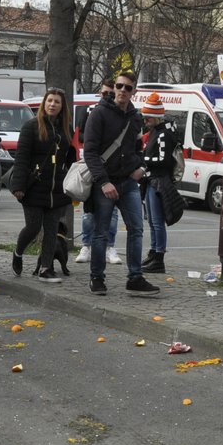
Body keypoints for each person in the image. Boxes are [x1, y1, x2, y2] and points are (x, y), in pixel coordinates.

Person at [81, 72, 159, 296]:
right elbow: (91, 153)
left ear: (134, 91)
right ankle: (97, 278)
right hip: (105, 184)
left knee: (136, 229)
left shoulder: (135, 118)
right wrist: (104, 182)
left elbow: (138, 149)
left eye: (128, 88)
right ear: (113, 88)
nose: (123, 91)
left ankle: (135, 277)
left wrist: (141, 168)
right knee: (101, 233)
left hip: (128, 182)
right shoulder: (99, 114)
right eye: (119, 86)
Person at [10, 88, 75, 282]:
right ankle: (18, 252)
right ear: (44, 104)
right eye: (50, 101)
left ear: (62, 107)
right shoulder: (31, 126)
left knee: (52, 229)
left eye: (57, 102)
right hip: (34, 186)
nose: (53, 104)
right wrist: (18, 187)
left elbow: (69, 158)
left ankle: (45, 268)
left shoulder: (66, 129)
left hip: (56, 188)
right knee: (33, 227)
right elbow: (21, 158)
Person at [75, 80, 120, 264]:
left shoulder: (121, 113)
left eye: (111, 93)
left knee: (113, 211)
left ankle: (110, 246)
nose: (108, 97)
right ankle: (86, 245)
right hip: (93, 166)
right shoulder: (90, 111)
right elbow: (82, 135)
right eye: (104, 93)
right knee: (89, 211)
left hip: (114, 169)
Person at [138, 92, 183, 274]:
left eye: (147, 116)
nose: (145, 119)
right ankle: (153, 253)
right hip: (151, 180)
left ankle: (159, 257)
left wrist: (144, 159)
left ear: (156, 116)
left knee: (157, 221)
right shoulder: (155, 132)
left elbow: (164, 160)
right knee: (152, 221)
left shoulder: (164, 134)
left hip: (159, 181)